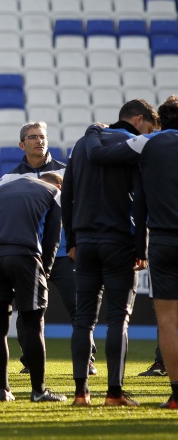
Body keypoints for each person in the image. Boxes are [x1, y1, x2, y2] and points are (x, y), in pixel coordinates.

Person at [80, 95, 178, 409]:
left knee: (168, 322)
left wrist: (94, 130)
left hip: (162, 241)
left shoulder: (148, 143)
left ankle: (176, 397)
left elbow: (99, 156)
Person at [0, 121, 96, 376]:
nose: (39, 141)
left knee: (79, 306)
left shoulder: (68, 173)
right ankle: (30, 360)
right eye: (33, 137)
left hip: (63, 253)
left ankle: (88, 359)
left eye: (42, 137)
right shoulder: (8, 178)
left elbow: (85, 205)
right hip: (26, 254)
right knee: (25, 311)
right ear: (22, 144)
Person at [61, 99, 156, 407]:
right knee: (118, 319)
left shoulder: (82, 144)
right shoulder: (134, 146)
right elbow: (140, 201)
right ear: (139, 120)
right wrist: (141, 247)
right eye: (149, 129)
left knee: (83, 320)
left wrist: (72, 240)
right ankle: (114, 393)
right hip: (120, 243)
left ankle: (80, 394)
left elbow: (68, 196)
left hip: (85, 243)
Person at [0, 173, 66, 403]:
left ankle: (3, 390)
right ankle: (38, 391)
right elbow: (52, 238)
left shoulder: (1, 191)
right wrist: (45, 272)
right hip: (25, 257)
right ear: (59, 185)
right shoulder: (55, 193)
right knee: (34, 324)